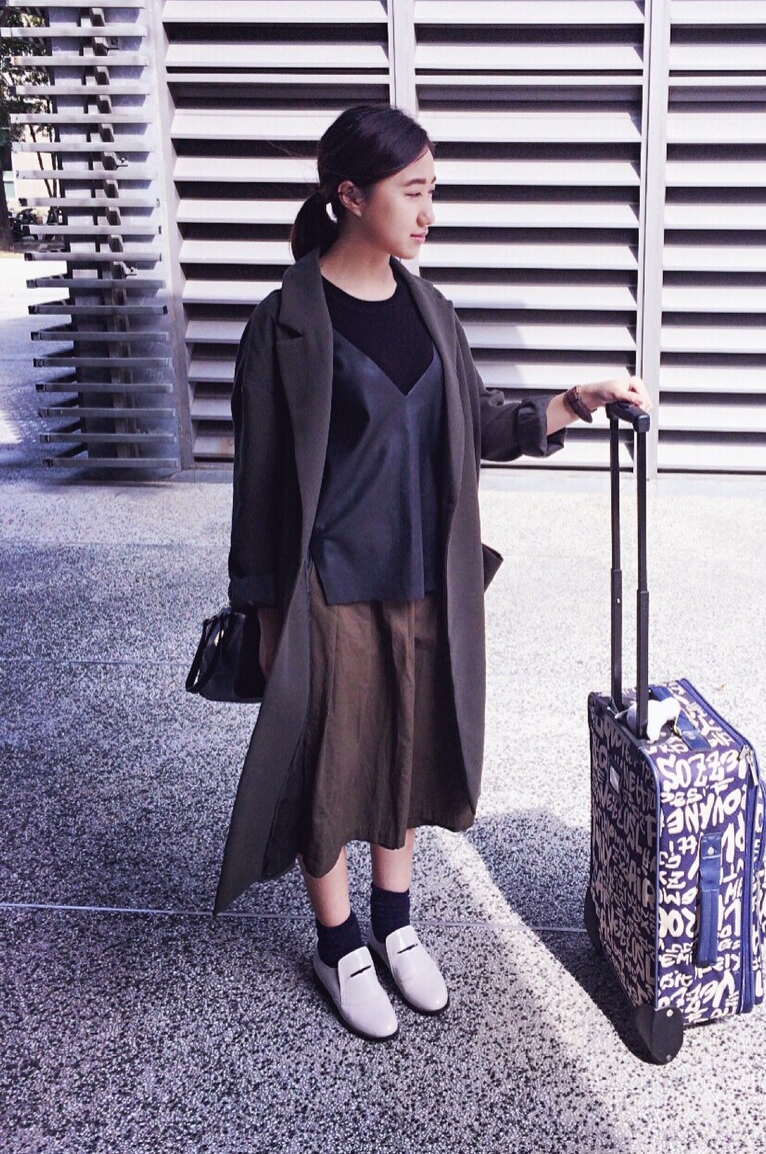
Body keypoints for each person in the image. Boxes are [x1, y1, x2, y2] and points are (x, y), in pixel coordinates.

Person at [216, 102, 652, 1041]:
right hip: (327, 589)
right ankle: (339, 943)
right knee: (329, 764)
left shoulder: (431, 312)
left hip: (426, 581)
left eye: (433, 190)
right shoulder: (283, 325)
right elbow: (258, 485)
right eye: (412, 191)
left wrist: (577, 398)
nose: (428, 211)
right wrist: (264, 612)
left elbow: (480, 421)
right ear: (350, 195)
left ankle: (396, 922)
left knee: (408, 754)